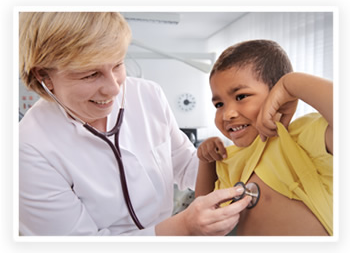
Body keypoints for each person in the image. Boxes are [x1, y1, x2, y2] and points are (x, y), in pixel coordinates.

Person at [18, 12, 251, 236]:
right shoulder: (29, 147)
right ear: (44, 76)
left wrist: (232, 156)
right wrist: (184, 228)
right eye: (90, 74)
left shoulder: (147, 94)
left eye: (118, 65)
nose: (113, 88)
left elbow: (184, 165)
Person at [195, 40, 333, 236]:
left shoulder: (303, 137)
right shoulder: (232, 158)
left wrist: (291, 83)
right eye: (219, 104)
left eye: (241, 96)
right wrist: (206, 161)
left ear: (278, 94)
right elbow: (204, 216)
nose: (227, 114)